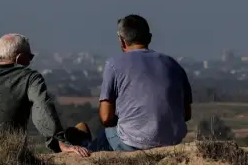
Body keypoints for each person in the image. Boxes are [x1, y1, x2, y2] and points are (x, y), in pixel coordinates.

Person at [72, 14, 192, 152]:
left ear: (121, 41)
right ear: (150, 38)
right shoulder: (174, 65)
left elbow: (105, 118)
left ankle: (83, 143)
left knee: (97, 144)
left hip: (131, 143)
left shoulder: (114, 64)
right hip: (171, 142)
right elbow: (186, 115)